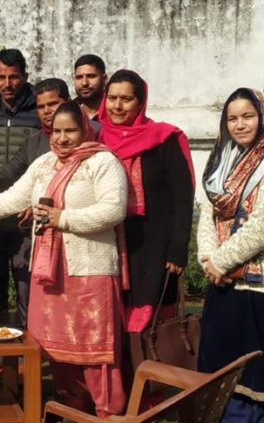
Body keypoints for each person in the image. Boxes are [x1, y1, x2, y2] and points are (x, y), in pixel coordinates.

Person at [0, 102, 128, 417]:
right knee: (57, 350)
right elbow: (13, 198)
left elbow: (114, 210)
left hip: (89, 270)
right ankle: (72, 407)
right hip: (50, 272)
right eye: (57, 131)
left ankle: (108, 413)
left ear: (85, 129)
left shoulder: (103, 162)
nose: (62, 138)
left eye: (70, 130)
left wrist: (61, 218)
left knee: (95, 350)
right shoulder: (45, 163)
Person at [197, 88, 264, 422]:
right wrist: (207, 258)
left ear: (263, 117)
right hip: (225, 285)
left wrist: (220, 261)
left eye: (248, 116)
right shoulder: (223, 162)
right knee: (221, 370)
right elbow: (207, 214)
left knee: (258, 376)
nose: (240, 124)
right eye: (232, 118)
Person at [97, 69, 195, 341]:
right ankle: (120, 379)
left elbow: (182, 197)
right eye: (112, 98)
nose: (117, 106)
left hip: (154, 242)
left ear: (140, 102)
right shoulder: (95, 139)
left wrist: (178, 249)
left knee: (153, 314)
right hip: (109, 238)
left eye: (126, 99)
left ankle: (152, 376)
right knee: (110, 309)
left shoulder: (165, 139)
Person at [0, 48, 40, 383]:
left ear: (25, 76)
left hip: (26, 219)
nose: (8, 83)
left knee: (27, 291)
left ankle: (26, 355)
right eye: (1, 76)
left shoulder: (39, 114)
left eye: (14, 76)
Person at [73, 54, 107, 121]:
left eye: (91, 76)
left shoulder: (116, 112)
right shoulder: (69, 113)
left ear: (104, 79)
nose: (84, 83)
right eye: (79, 77)